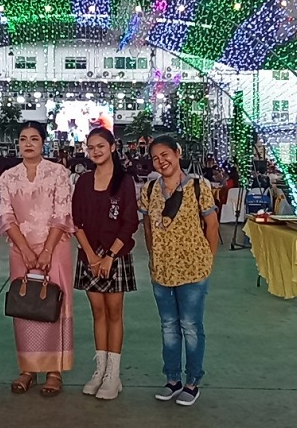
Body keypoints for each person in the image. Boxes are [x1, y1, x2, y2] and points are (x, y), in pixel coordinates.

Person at [139, 135, 219, 407]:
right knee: (168, 326)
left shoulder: (198, 187)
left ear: (177, 153)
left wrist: (208, 260)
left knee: (191, 326)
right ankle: (172, 379)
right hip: (161, 271)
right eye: (155, 158)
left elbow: (212, 225)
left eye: (165, 154)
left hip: (193, 270)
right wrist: (153, 254)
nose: (161, 161)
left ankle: (192, 381)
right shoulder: (150, 189)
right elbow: (147, 225)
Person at [0, 121, 74, 397]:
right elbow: (6, 216)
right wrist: (26, 250)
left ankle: (54, 371)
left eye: (34, 138)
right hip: (21, 251)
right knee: (26, 306)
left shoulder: (58, 173)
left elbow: (62, 213)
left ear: (43, 143)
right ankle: (28, 369)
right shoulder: (7, 177)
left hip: (55, 249)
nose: (28, 143)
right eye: (23, 139)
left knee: (54, 306)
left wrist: (46, 250)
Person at [72, 127, 139, 400]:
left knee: (114, 313)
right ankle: (100, 371)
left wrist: (109, 256)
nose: (96, 151)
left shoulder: (124, 182)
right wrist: (90, 255)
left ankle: (114, 374)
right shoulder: (83, 181)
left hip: (116, 255)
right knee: (97, 312)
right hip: (89, 255)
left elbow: (130, 222)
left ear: (112, 147)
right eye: (91, 147)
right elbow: (76, 221)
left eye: (100, 146)